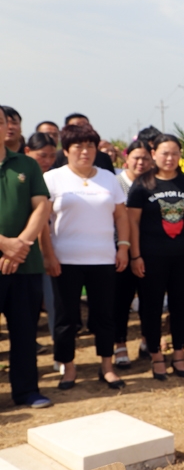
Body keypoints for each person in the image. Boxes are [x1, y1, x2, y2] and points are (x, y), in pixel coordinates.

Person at [43, 124, 129, 390]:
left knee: (104, 315)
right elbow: (42, 222)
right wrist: (48, 255)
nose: (85, 151)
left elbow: (121, 216)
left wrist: (123, 247)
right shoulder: (53, 178)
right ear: (66, 150)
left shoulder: (108, 178)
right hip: (65, 260)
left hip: (103, 258)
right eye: (78, 146)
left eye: (90, 146)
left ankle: (107, 366)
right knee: (66, 318)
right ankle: (68, 368)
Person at [127, 134, 184, 380]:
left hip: (182, 256)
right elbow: (132, 222)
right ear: (153, 154)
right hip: (150, 258)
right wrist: (135, 256)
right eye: (164, 153)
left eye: (174, 153)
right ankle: (156, 357)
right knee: (151, 308)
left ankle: (179, 355)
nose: (169, 158)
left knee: (180, 306)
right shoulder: (142, 184)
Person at [0, 108, 52, 408]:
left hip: (25, 264)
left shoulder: (26, 165)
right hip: (10, 254)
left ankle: (26, 390)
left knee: (23, 330)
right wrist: (4, 243)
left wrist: (20, 245)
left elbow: (42, 206)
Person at [112, 140, 153, 369]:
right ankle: (120, 344)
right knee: (121, 300)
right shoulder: (116, 182)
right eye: (136, 157)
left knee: (149, 300)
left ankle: (148, 341)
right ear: (126, 158)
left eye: (146, 158)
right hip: (120, 252)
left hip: (148, 252)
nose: (141, 162)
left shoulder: (154, 182)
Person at [25, 133, 59, 341]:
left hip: (44, 250)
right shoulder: (20, 174)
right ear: (28, 152)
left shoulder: (54, 178)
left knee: (52, 301)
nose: (47, 161)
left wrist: (47, 253)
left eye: (52, 156)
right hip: (19, 250)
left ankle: (59, 351)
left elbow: (44, 221)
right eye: (42, 155)